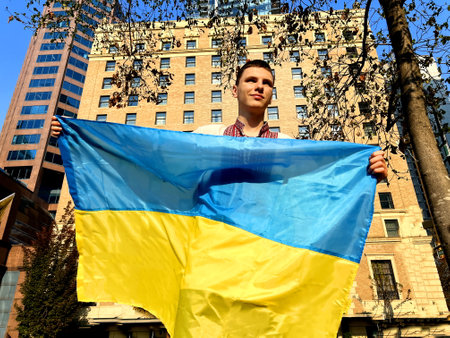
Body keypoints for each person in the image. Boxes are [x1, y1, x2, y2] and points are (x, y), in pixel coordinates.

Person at [51, 59, 387, 181]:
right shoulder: (207, 134)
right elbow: (151, 159)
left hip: (268, 251)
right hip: (214, 249)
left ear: (272, 93)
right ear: (234, 90)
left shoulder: (288, 145)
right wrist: (78, 139)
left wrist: (366, 168)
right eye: (251, 80)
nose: (260, 86)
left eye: (267, 83)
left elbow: (322, 182)